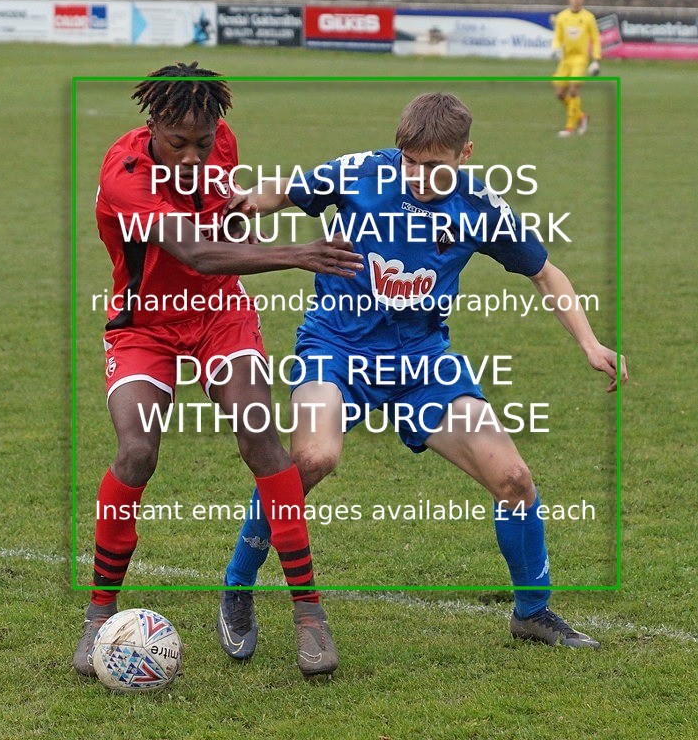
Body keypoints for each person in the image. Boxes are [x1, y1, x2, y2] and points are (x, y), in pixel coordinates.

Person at [217, 92, 627, 662]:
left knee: (513, 478)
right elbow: (284, 189)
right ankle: (237, 585)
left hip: (424, 363)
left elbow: (546, 273)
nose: (418, 176)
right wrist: (246, 205)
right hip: (337, 347)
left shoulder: (483, 207)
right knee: (312, 459)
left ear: (465, 155)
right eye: (409, 162)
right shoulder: (361, 171)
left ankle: (532, 612)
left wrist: (589, 341)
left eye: (434, 166)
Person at [72, 61, 363, 679]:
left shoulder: (218, 143)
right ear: (152, 125)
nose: (194, 155)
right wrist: (298, 253)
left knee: (262, 438)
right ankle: (100, 613)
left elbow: (219, 229)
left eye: (204, 142)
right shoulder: (126, 175)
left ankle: (309, 613)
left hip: (219, 313)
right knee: (136, 451)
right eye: (179, 142)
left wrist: (237, 214)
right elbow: (194, 252)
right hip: (145, 322)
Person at [552, 0, 602, 137]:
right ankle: (581, 116)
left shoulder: (588, 18)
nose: (576, 0)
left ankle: (570, 127)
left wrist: (596, 60)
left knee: (574, 90)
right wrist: (555, 49)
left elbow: (595, 39)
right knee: (560, 94)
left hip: (580, 59)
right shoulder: (562, 17)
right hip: (566, 59)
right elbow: (558, 37)